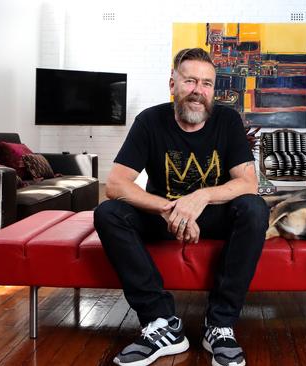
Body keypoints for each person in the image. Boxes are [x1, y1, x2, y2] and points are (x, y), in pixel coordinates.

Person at [94, 48, 269, 366]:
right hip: (163, 216)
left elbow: (247, 183)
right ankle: (161, 324)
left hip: (210, 215)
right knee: (108, 213)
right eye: (190, 81)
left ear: (213, 89)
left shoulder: (227, 121)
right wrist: (168, 209)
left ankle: (220, 325)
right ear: (172, 83)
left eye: (206, 83)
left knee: (255, 209)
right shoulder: (149, 121)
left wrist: (199, 198)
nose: (198, 91)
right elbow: (115, 185)